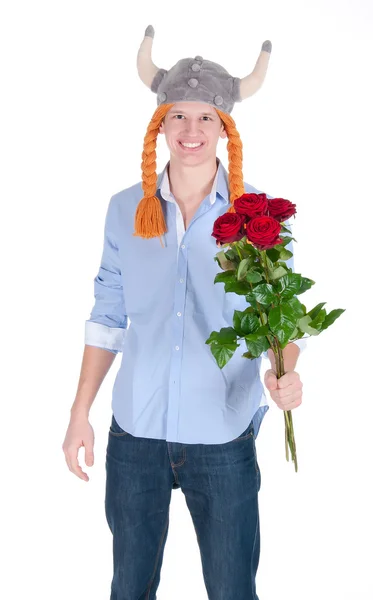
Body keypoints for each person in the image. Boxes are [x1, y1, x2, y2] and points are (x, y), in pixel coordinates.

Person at [62, 25, 305, 600]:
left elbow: (281, 317)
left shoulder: (260, 216)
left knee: (231, 590)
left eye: (206, 119)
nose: (190, 131)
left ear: (225, 129)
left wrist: (285, 373)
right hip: (136, 435)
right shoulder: (125, 210)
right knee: (130, 589)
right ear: (159, 124)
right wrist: (79, 412)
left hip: (221, 433)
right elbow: (107, 313)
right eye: (177, 117)